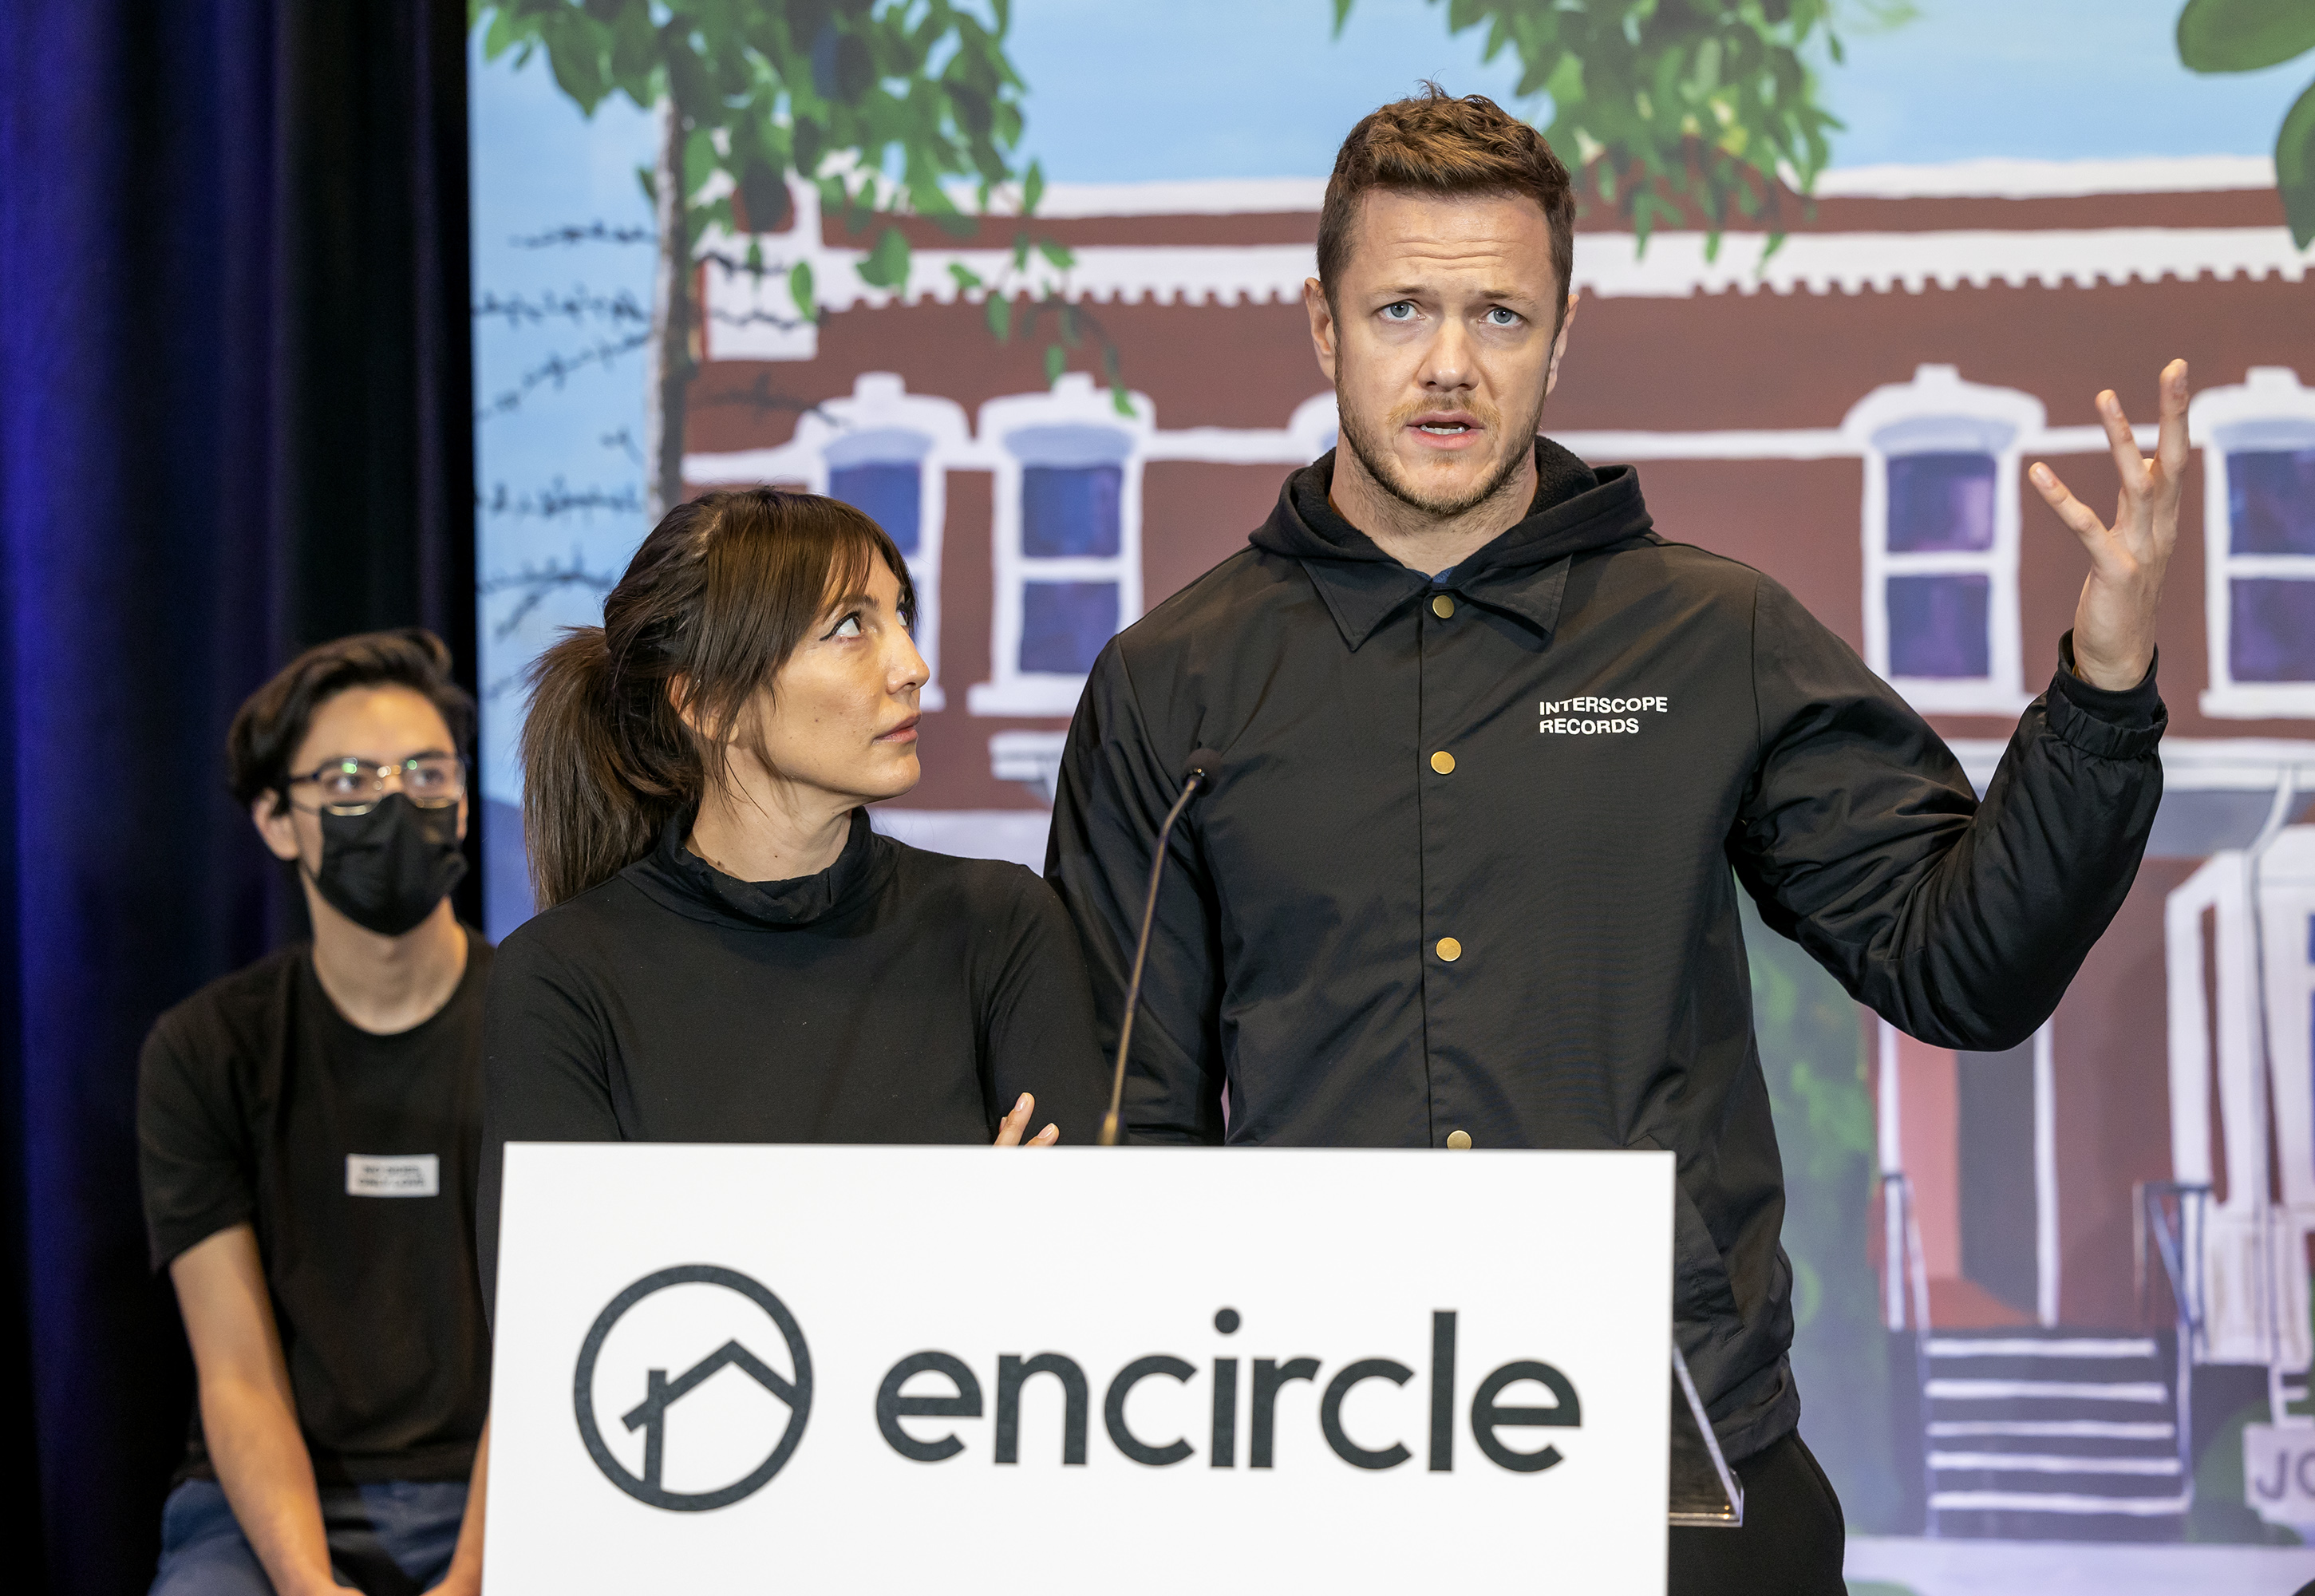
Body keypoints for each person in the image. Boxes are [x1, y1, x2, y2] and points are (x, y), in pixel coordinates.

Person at [1045, 89, 2182, 1595]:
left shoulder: (1714, 636)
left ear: (1562, 335)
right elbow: (1133, 1130)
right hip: (1317, 1461)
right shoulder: (1171, 683)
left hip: (1676, 1462)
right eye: (1402, 308)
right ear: (1322, 326)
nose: (1451, 365)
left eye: (1501, 315)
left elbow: (1960, 966)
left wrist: (2101, 694)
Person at [478, 487, 1108, 1308]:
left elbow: (1081, 1277)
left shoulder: (998, 924)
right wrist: (951, 1231)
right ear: (707, 701)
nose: (912, 666)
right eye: (851, 626)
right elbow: (567, 1323)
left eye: (900, 614)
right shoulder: (561, 976)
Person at [138, 631, 492, 1596]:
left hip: (499, 1485)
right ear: (276, 819)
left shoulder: (545, 1026)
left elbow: (560, 1338)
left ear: (462, 801)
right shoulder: (208, 1048)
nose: (392, 802)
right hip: (261, 1504)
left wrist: (470, 1577)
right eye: (347, 779)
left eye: (425, 772)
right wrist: (307, 1582)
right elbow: (237, 1370)